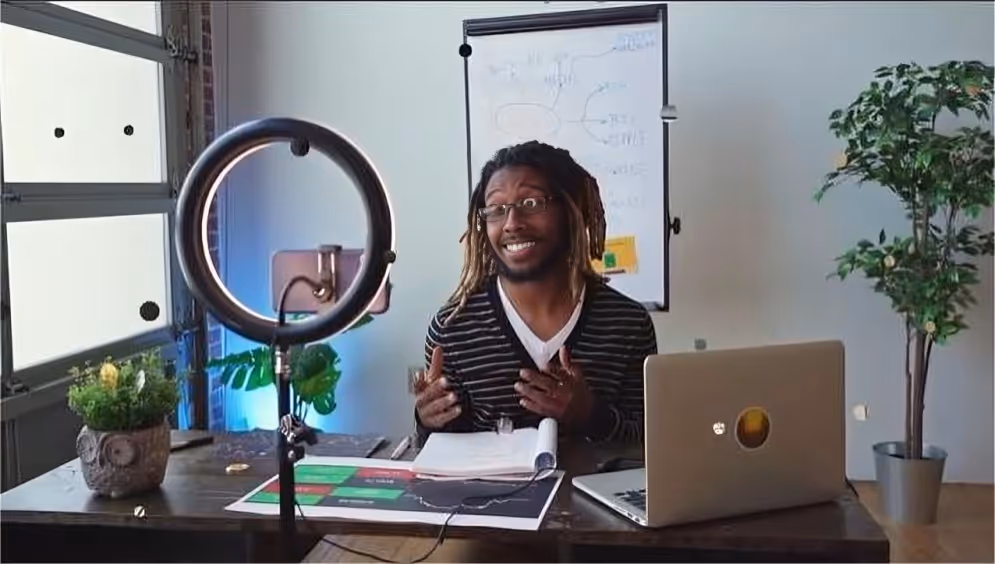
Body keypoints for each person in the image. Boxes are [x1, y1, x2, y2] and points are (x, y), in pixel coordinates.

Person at [413, 140, 657, 445]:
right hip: (491, 495)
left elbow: (649, 445)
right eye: (497, 209)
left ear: (571, 212)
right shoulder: (453, 329)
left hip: (594, 493)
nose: (512, 223)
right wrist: (427, 423)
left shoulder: (627, 325)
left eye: (531, 204)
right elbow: (444, 457)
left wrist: (590, 415)